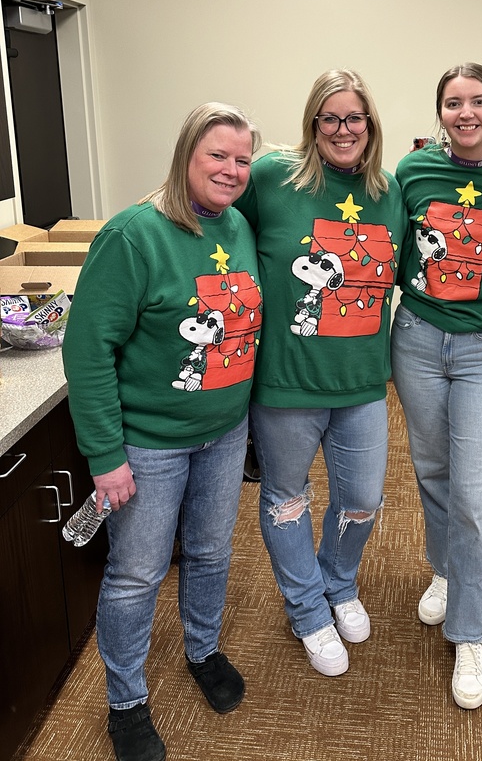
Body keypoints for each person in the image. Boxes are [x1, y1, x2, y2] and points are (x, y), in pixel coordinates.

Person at [62, 103, 262, 761]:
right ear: (185, 156)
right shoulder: (133, 235)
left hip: (224, 432)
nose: (232, 170)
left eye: (242, 159)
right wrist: (105, 457)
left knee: (209, 555)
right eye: (217, 156)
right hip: (148, 445)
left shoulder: (237, 225)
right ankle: (125, 702)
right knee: (136, 575)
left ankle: (202, 650)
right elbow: (88, 352)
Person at [235, 69, 405, 677]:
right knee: (287, 500)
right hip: (285, 384)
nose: (342, 129)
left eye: (353, 118)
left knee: (360, 499)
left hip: (361, 383)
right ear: (313, 124)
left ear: (370, 125)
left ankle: (338, 583)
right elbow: (209, 215)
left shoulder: (390, 191)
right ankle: (306, 609)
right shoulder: (270, 179)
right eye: (329, 118)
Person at [390, 63, 482, 710]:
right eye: (454, 102)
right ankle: (446, 570)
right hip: (417, 338)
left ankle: (469, 632)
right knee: (433, 471)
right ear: (440, 111)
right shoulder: (412, 172)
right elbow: (390, 257)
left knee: (477, 492)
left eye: (478, 101)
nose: (466, 112)